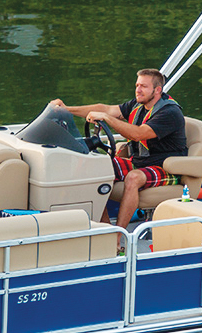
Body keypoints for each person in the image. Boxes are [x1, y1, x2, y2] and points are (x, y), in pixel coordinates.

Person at [49, 68, 187, 228]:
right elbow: (105, 109)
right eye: (137, 85)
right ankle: (105, 228)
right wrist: (66, 110)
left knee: (134, 178)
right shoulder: (138, 105)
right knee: (92, 167)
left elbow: (138, 134)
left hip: (165, 168)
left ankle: (118, 237)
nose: (138, 90)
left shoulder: (170, 112)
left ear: (157, 90)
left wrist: (107, 119)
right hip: (139, 162)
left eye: (143, 86)